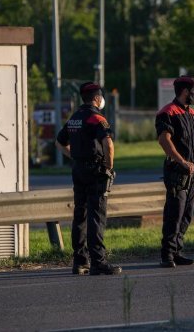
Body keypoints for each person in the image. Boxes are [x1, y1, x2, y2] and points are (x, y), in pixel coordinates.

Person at [55, 82, 122, 276]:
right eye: (100, 96)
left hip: (78, 171)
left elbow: (59, 142)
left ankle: (80, 261)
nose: (102, 99)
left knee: (80, 215)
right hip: (95, 171)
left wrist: (75, 156)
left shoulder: (74, 118)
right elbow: (108, 144)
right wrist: (108, 168)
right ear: (96, 98)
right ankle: (98, 262)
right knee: (96, 217)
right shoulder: (97, 118)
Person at [155, 76, 194, 268]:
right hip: (177, 172)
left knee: (187, 214)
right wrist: (181, 161)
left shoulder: (193, 114)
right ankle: (167, 255)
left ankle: (178, 251)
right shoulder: (167, 113)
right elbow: (164, 140)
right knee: (175, 213)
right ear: (186, 91)